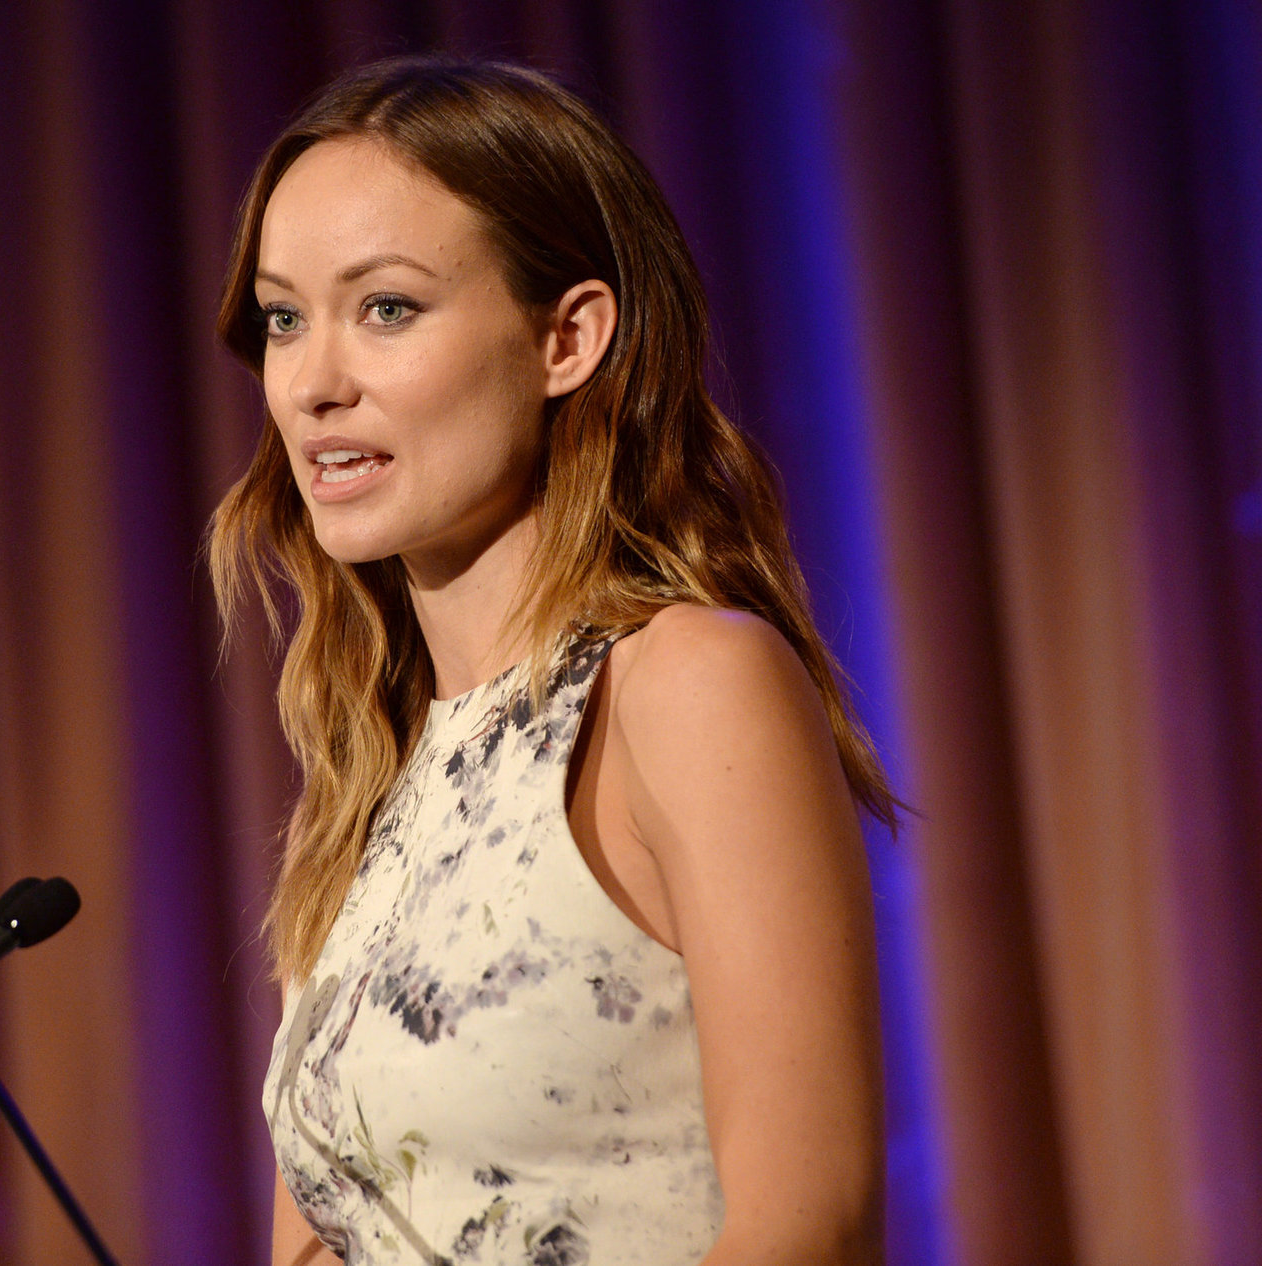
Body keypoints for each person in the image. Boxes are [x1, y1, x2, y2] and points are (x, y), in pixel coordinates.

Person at [208, 56, 892, 1266]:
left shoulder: (688, 684)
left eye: (387, 308)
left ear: (566, 338)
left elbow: (810, 1222)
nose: (312, 384)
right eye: (282, 317)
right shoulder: (373, 786)